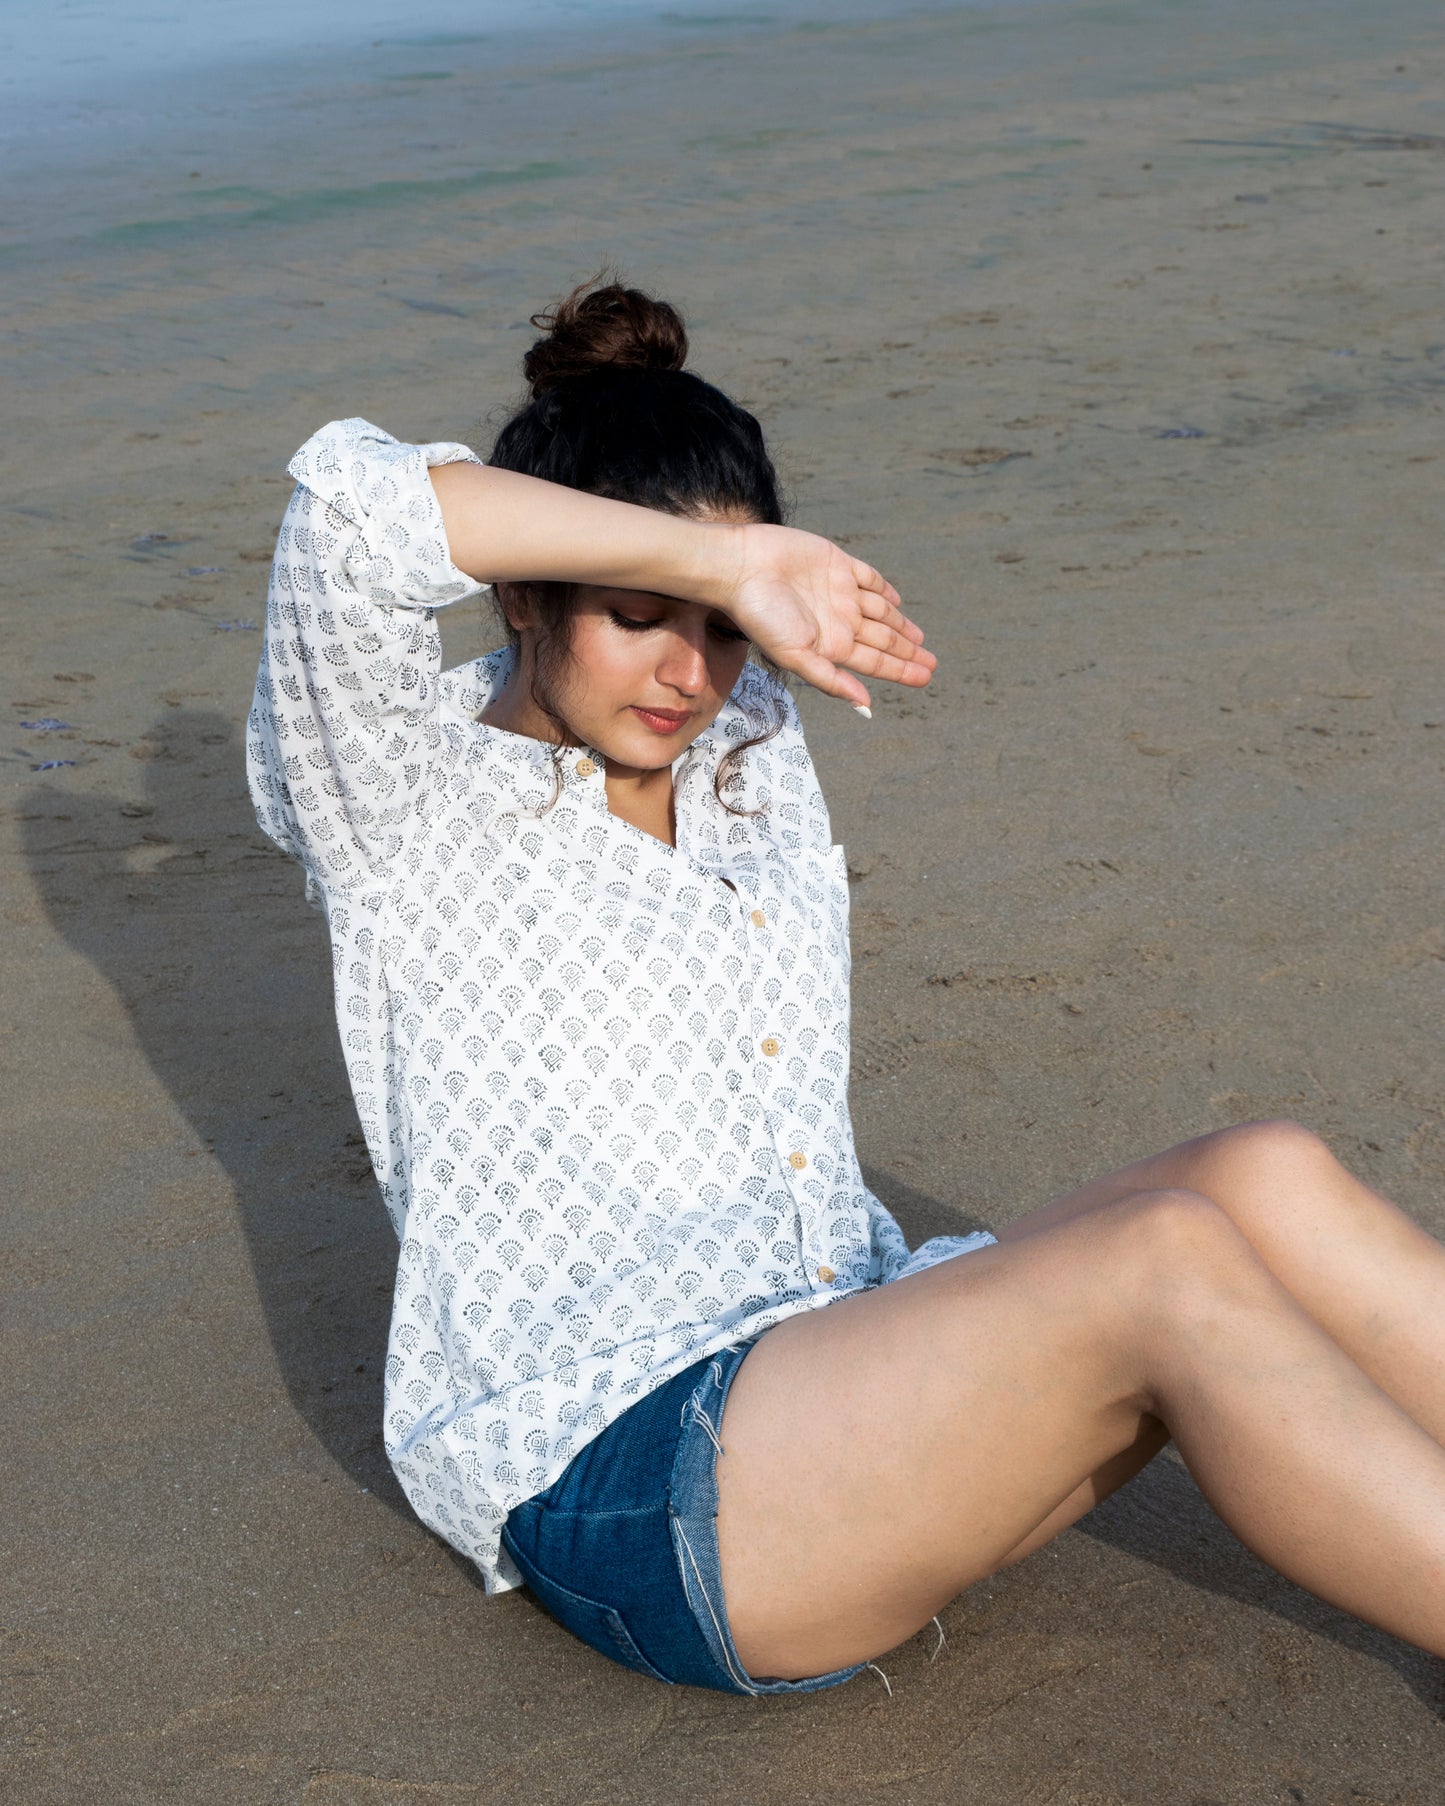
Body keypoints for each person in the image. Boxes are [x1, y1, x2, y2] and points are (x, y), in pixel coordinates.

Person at [248, 278, 1445, 1695]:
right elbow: (348, 519)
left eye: (728, 627)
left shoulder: (742, 737)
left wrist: (730, 579)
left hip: (836, 1358)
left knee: (1265, 1171)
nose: (691, 671)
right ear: (521, 590)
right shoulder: (402, 799)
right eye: (645, 613)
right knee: (1163, 1267)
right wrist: (725, 568)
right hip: (634, 1483)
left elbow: (712, 654)